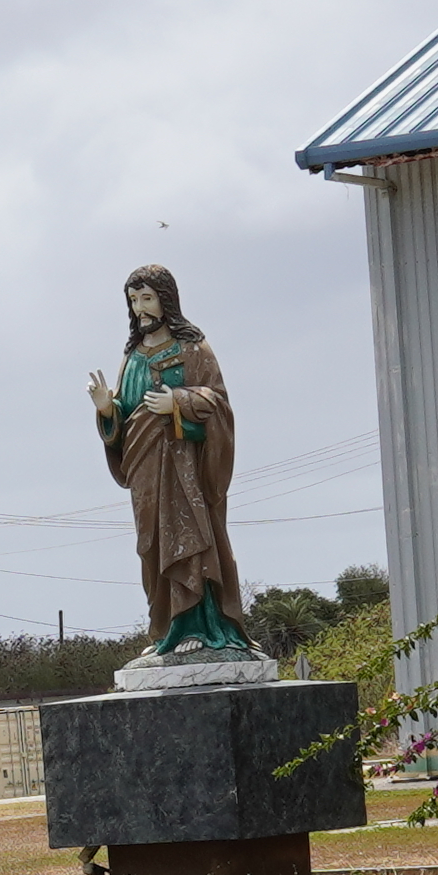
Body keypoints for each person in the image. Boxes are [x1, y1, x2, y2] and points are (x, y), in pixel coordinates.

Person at [87, 263, 257, 661]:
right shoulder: (132, 357)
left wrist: (177, 403)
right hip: (145, 468)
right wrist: (106, 410)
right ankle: (166, 628)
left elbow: (218, 405)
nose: (140, 308)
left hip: (185, 468)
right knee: (152, 546)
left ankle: (198, 625)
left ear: (166, 300)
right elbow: (125, 415)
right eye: (133, 301)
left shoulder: (193, 349)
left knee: (190, 541)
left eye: (147, 298)